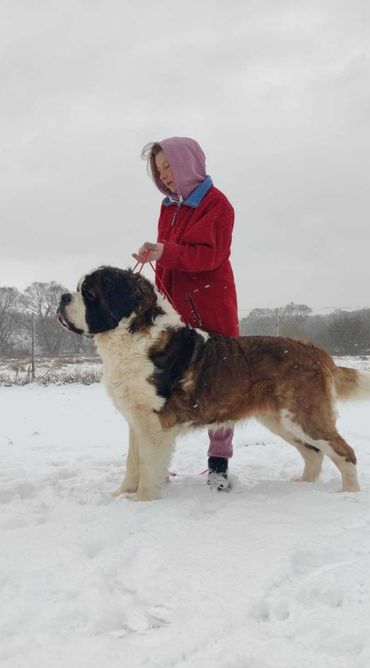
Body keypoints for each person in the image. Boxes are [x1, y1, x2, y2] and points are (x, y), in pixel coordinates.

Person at [134, 137, 239, 492]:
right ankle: (160, 458)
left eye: (169, 167)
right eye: (159, 170)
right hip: (172, 311)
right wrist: (156, 257)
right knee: (166, 381)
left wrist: (166, 251)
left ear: (188, 164)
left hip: (211, 305)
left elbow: (209, 256)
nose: (164, 176)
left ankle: (219, 462)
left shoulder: (217, 205)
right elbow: (172, 254)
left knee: (222, 382)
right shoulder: (169, 206)